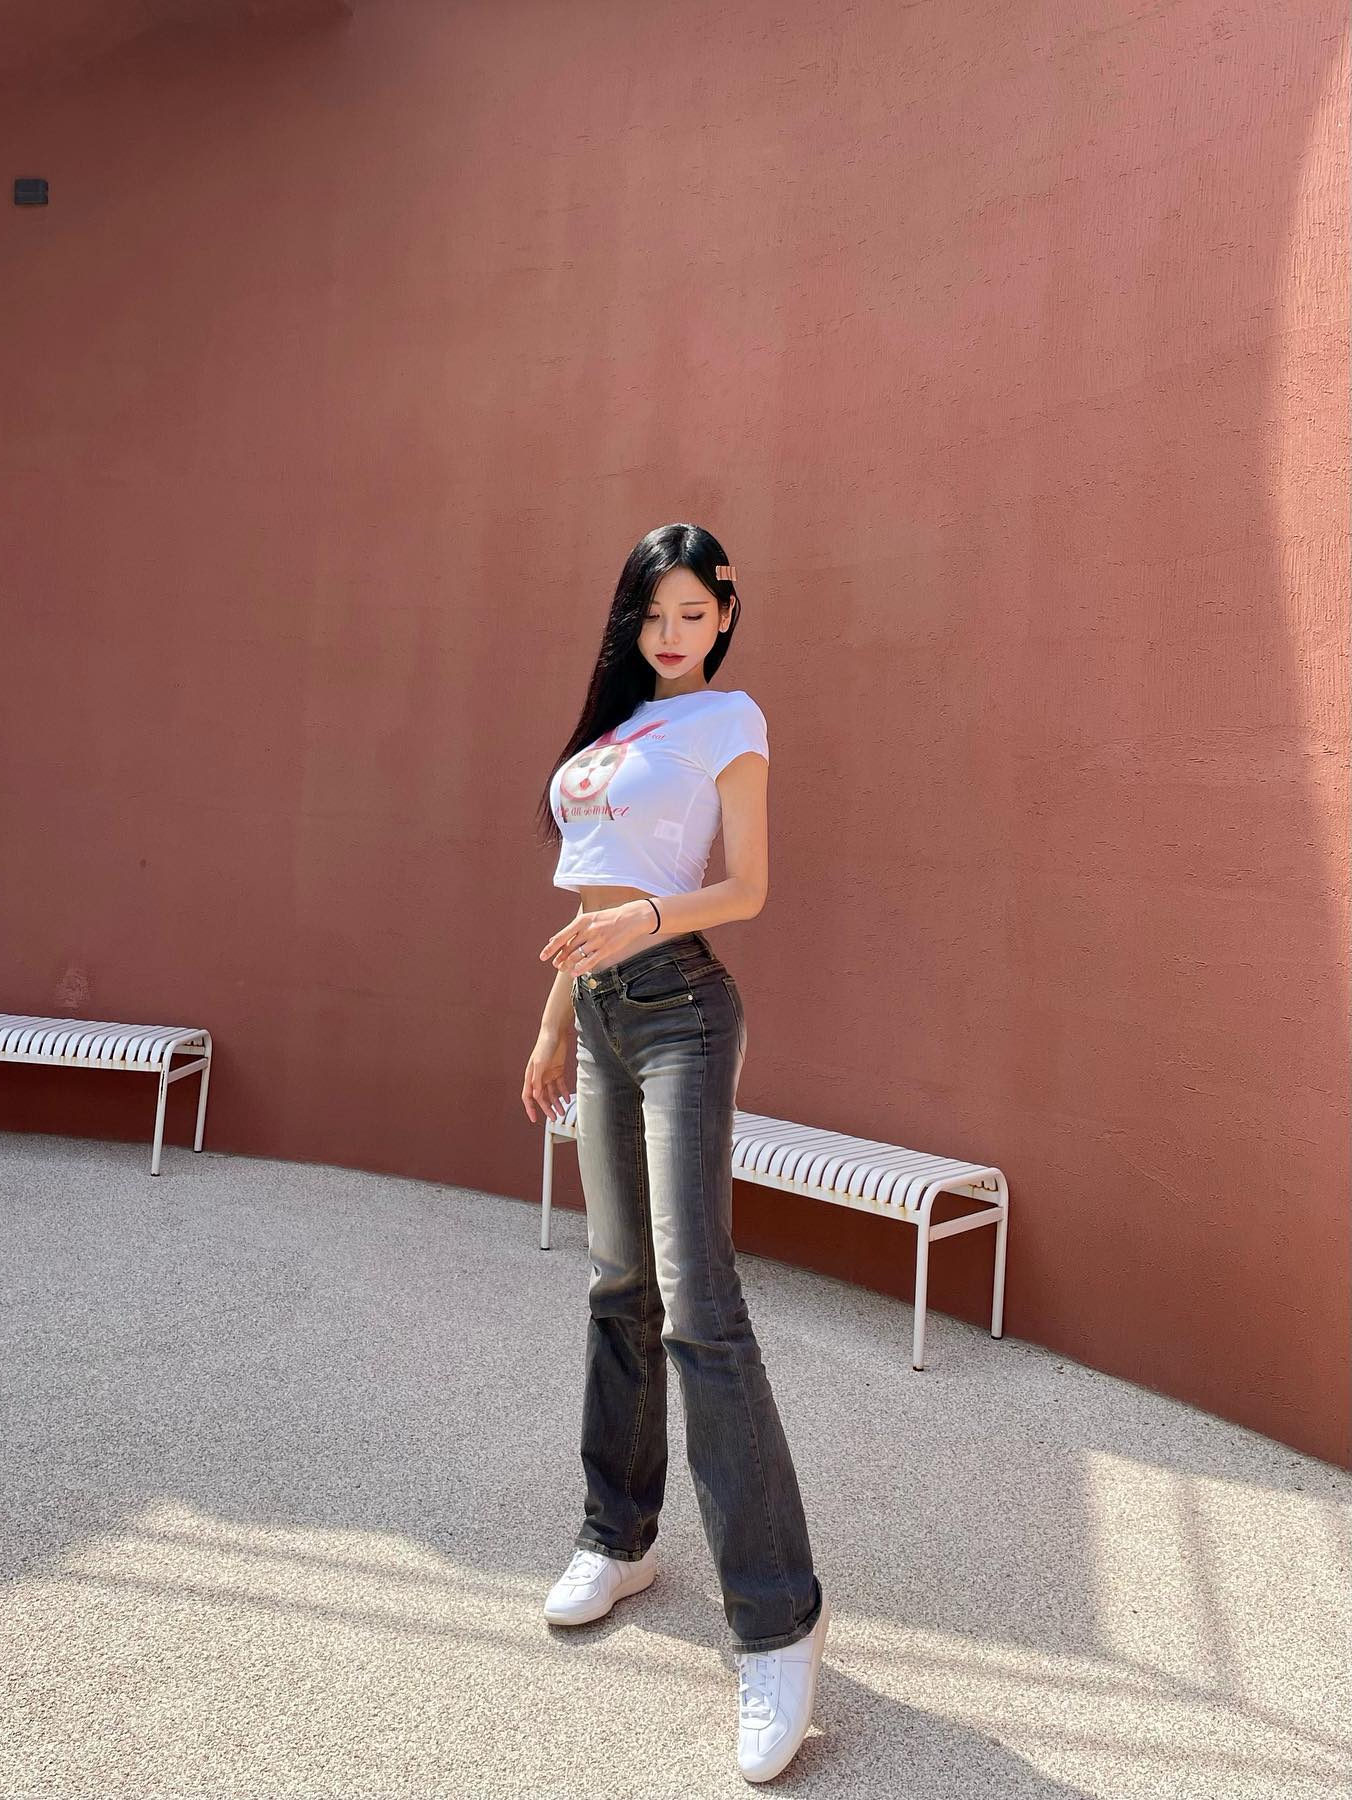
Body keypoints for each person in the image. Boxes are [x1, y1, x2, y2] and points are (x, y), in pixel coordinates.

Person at [522, 523, 829, 1784]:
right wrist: (552, 1023)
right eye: (653, 614)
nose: (670, 634)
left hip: (684, 1012)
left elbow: (747, 886)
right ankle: (620, 1535)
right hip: (601, 1016)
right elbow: (587, 896)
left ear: (726, 614)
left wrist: (651, 916)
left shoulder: (728, 720)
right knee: (618, 1288)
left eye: (693, 613)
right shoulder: (615, 729)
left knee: (701, 1307)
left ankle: (779, 1626)